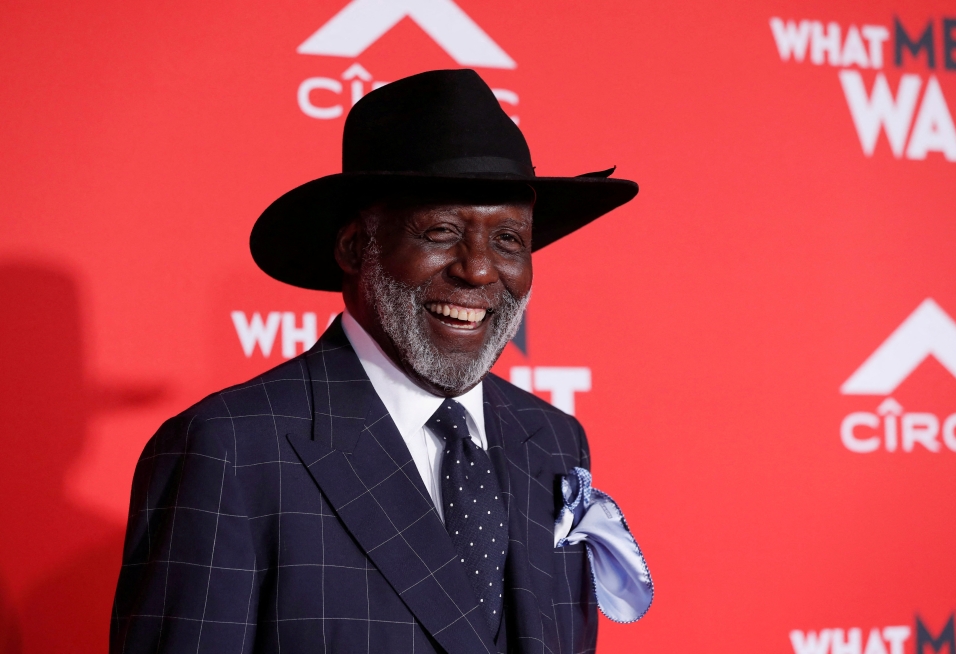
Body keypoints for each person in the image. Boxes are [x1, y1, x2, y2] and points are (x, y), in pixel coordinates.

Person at [110, 68, 638, 654]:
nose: (480, 269)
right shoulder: (232, 448)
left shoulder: (555, 440)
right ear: (355, 247)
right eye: (441, 231)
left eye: (509, 239)